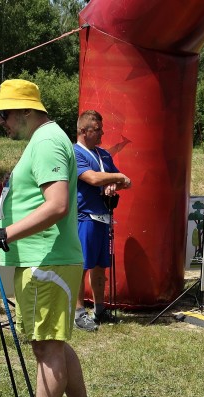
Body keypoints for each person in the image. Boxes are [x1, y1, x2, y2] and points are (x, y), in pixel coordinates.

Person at [0, 79, 102, 397]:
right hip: (46, 258)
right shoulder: (44, 140)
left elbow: (57, 204)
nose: (2, 123)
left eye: (4, 115)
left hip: (48, 260)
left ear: (25, 110)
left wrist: (3, 233)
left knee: (46, 349)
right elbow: (36, 201)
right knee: (54, 342)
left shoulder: (45, 142)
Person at [74, 110, 131, 331]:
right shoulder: (75, 153)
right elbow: (92, 178)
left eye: (101, 129)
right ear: (83, 131)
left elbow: (126, 182)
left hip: (103, 217)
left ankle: (99, 310)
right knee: (81, 266)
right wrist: (114, 178)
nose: (102, 134)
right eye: (97, 130)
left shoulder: (104, 155)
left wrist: (114, 183)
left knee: (100, 266)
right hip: (83, 216)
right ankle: (79, 313)